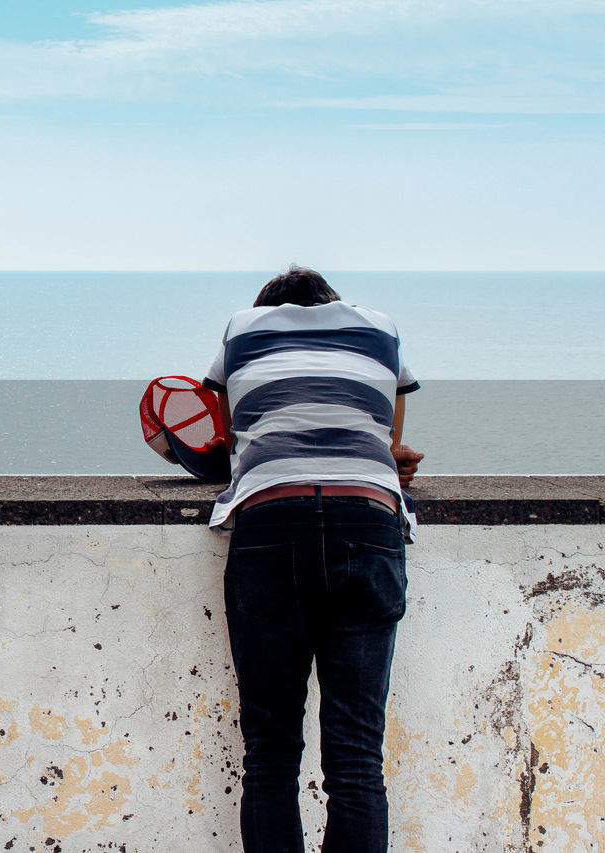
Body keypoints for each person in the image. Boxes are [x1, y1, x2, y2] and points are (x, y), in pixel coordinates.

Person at [201, 266, 423, 853]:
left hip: (272, 520)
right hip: (367, 518)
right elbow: (392, 440)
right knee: (355, 753)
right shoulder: (382, 332)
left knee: (270, 752)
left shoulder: (240, 331)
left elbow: (233, 435)